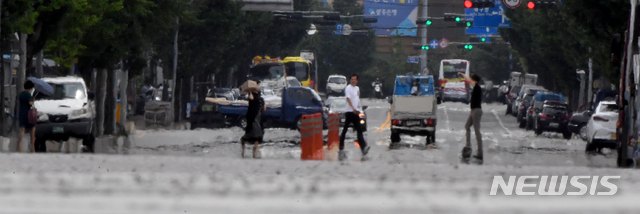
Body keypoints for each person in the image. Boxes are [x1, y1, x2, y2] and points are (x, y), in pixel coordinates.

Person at [339, 74, 369, 160]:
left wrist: (358, 109)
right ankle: (341, 145)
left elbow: (357, 99)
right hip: (349, 112)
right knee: (345, 129)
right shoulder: (348, 88)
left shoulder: (357, 89)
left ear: (357, 81)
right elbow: (348, 98)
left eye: (354, 79)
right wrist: (352, 108)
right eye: (352, 79)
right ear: (350, 80)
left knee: (359, 130)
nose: (353, 81)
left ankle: (363, 148)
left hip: (355, 112)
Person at [459, 72, 483, 161]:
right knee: (467, 126)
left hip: (477, 111)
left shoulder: (477, 87)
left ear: (475, 81)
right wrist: (471, 111)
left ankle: (480, 152)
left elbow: (468, 80)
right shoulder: (476, 88)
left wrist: (462, 74)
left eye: (472, 80)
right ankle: (468, 145)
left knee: (477, 131)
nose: (470, 81)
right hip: (474, 111)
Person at [241, 81, 265, 158]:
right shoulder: (258, 98)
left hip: (254, 119)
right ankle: (250, 153)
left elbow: (263, 108)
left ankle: (247, 153)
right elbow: (264, 108)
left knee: (252, 137)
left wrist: (250, 91)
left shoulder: (258, 98)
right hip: (255, 119)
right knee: (255, 137)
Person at [18, 80, 36, 153]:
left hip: (21, 113)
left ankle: (20, 148)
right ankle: (32, 148)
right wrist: (33, 100)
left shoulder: (21, 94)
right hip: (28, 115)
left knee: (22, 130)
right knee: (33, 130)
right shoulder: (28, 95)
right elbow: (30, 103)